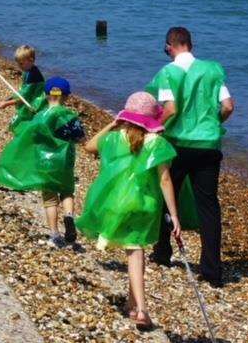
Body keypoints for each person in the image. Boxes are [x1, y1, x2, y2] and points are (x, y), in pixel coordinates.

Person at [76, 91, 181, 330]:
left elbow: (89, 147)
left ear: (126, 116)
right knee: (135, 251)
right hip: (144, 204)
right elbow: (165, 180)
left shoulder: (114, 138)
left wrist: (113, 123)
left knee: (133, 251)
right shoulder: (157, 143)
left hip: (116, 203)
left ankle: (136, 306)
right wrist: (174, 215)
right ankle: (139, 307)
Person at [146, 27, 234, 288]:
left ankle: (163, 252)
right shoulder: (212, 70)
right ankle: (212, 270)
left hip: (177, 144)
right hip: (208, 145)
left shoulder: (167, 72)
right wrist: (212, 124)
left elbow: (170, 109)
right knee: (208, 206)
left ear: (169, 46)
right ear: (190, 44)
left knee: (165, 196)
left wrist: (154, 128)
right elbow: (228, 106)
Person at [0, 77, 85, 247]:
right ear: (66, 96)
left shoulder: (40, 116)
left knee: (50, 198)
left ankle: (55, 234)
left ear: (45, 95)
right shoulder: (70, 116)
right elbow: (80, 137)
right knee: (66, 191)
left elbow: (29, 137)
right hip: (65, 161)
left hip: (45, 163)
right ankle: (69, 216)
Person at [0, 45, 46, 132]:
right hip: (29, 98)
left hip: (34, 103)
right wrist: (10, 98)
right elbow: (23, 91)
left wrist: (7, 103)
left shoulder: (33, 75)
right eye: (18, 63)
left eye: (21, 63)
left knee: (20, 124)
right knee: (17, 125)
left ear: (31, 60)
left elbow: (24, 98)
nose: (19, 66)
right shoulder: (27, 71)